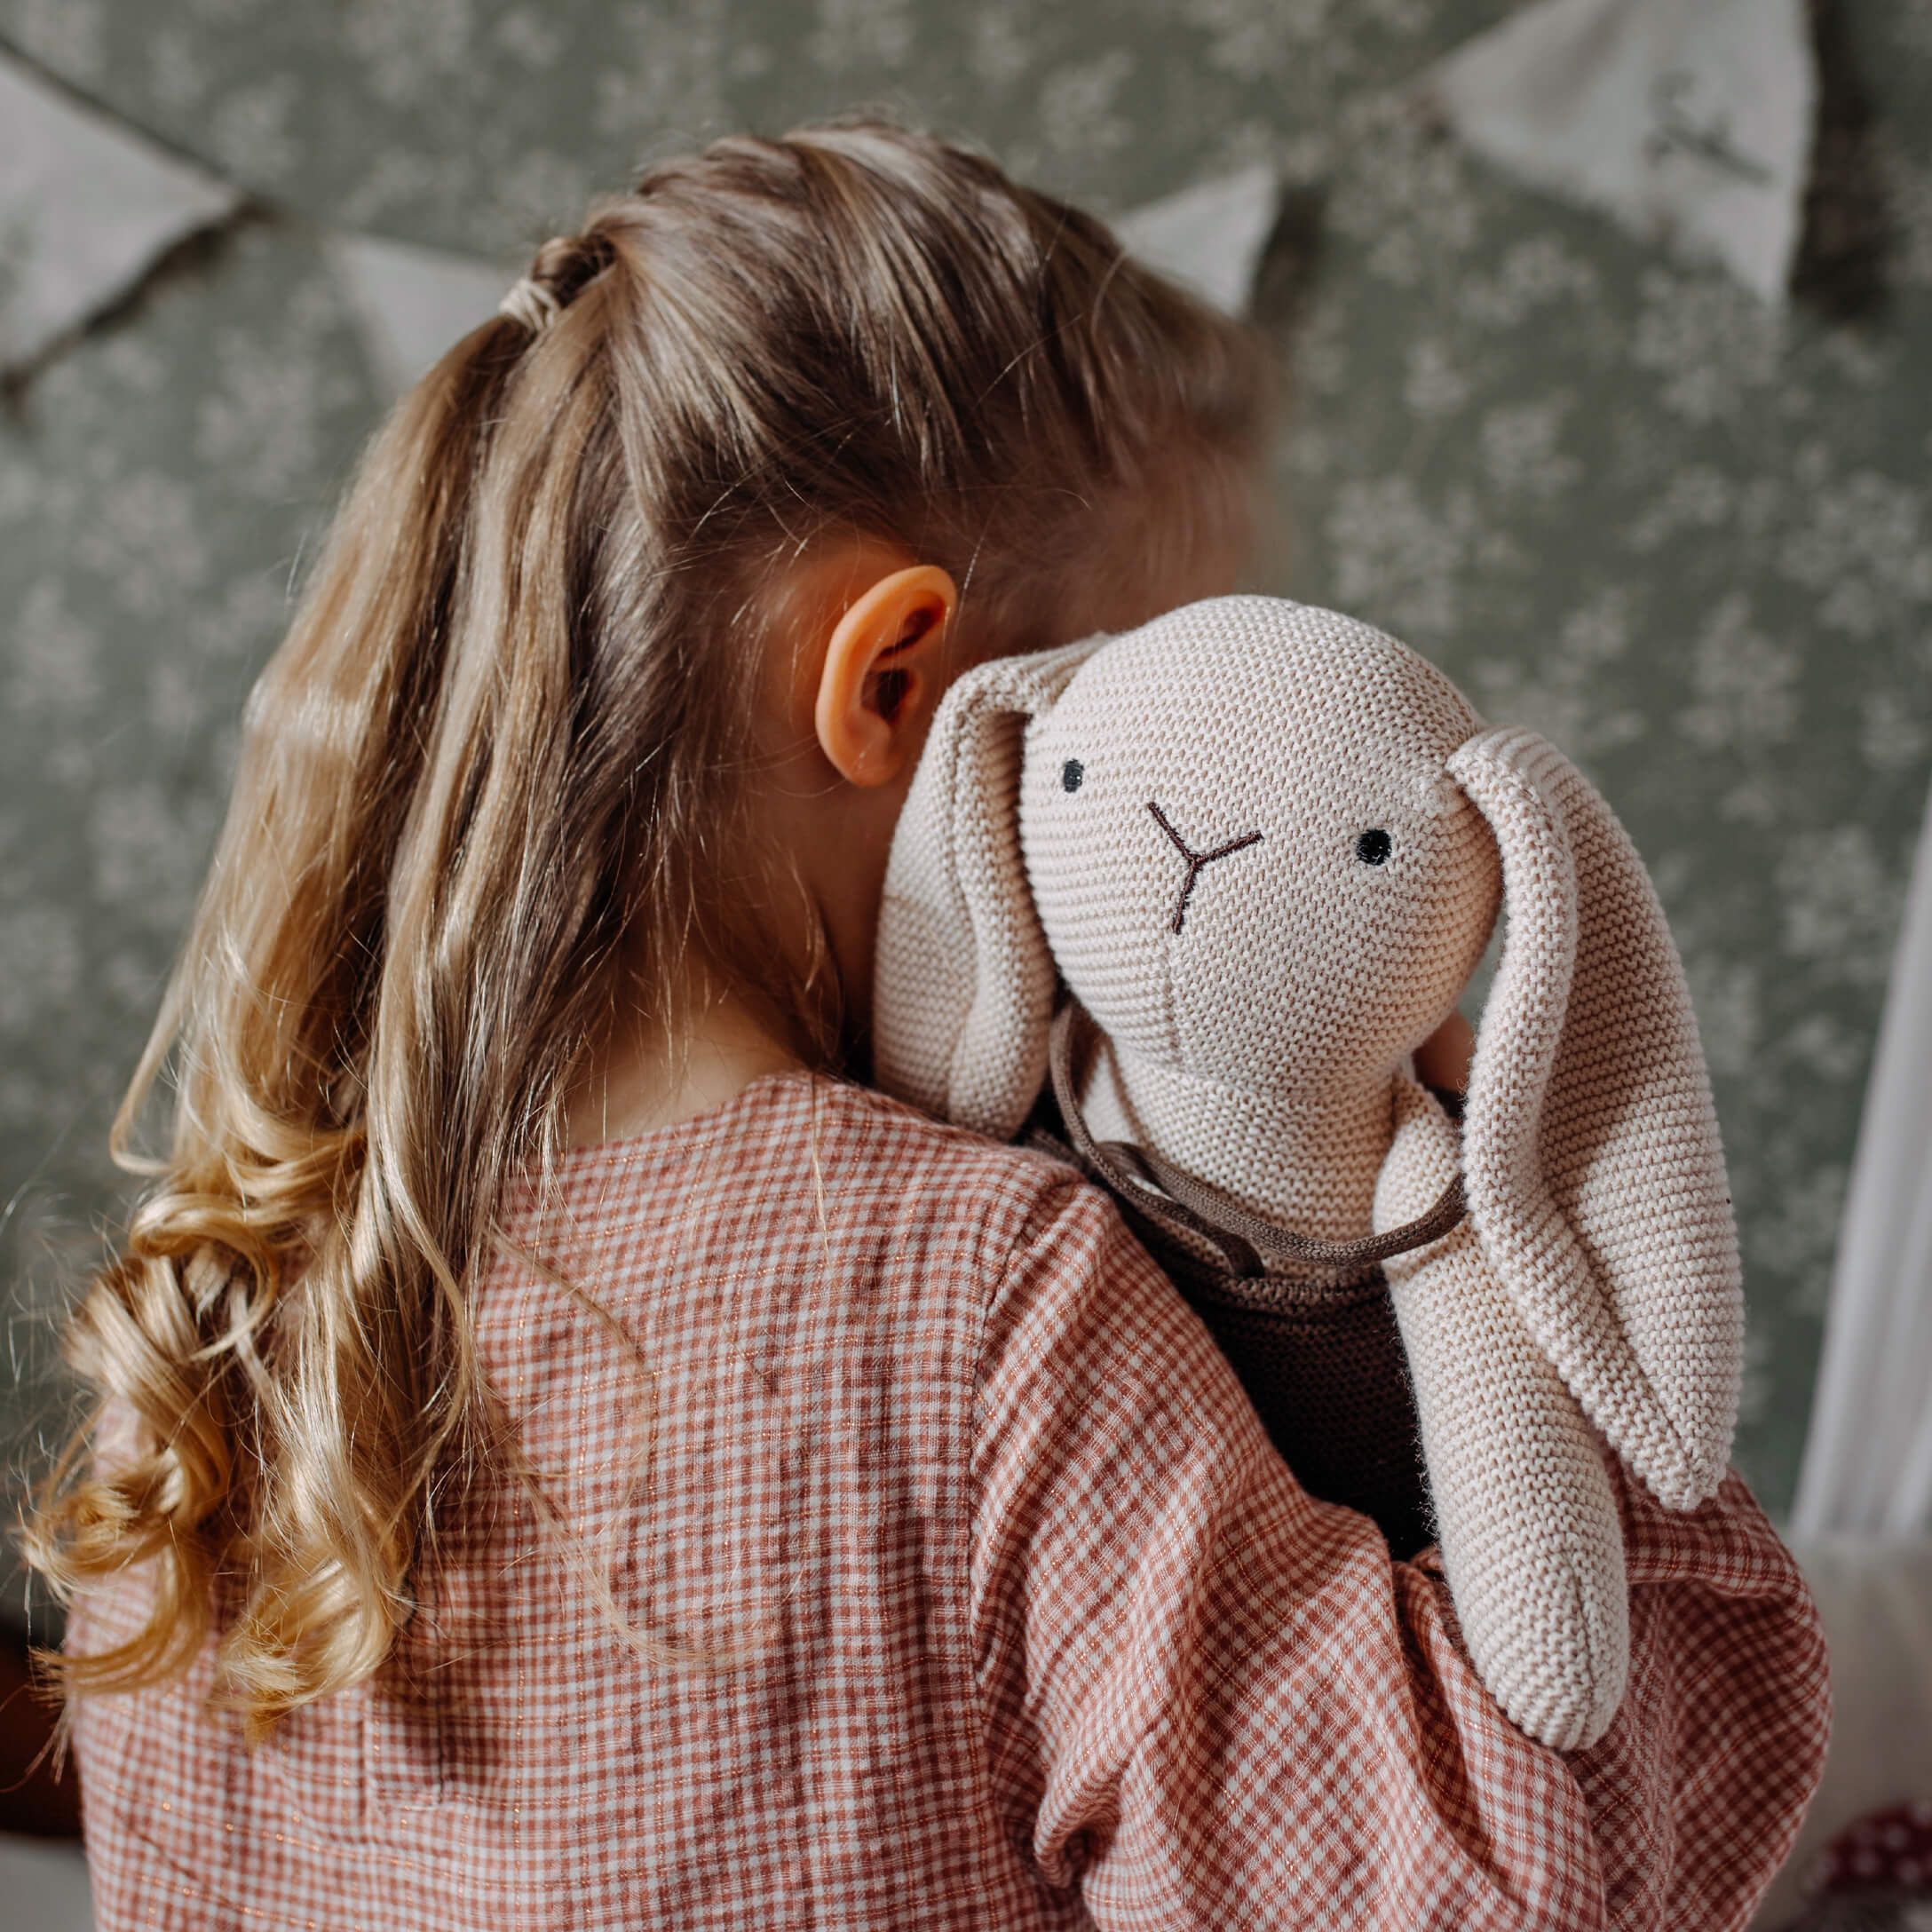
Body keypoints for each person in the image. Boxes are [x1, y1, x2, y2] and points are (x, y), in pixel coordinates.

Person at [23, 121, 1825, 1929]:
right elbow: (1511, 1887)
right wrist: (1498, 1276)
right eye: (1125, 716)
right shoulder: (980, 1300)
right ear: (889, 679)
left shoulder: (218, 1334)